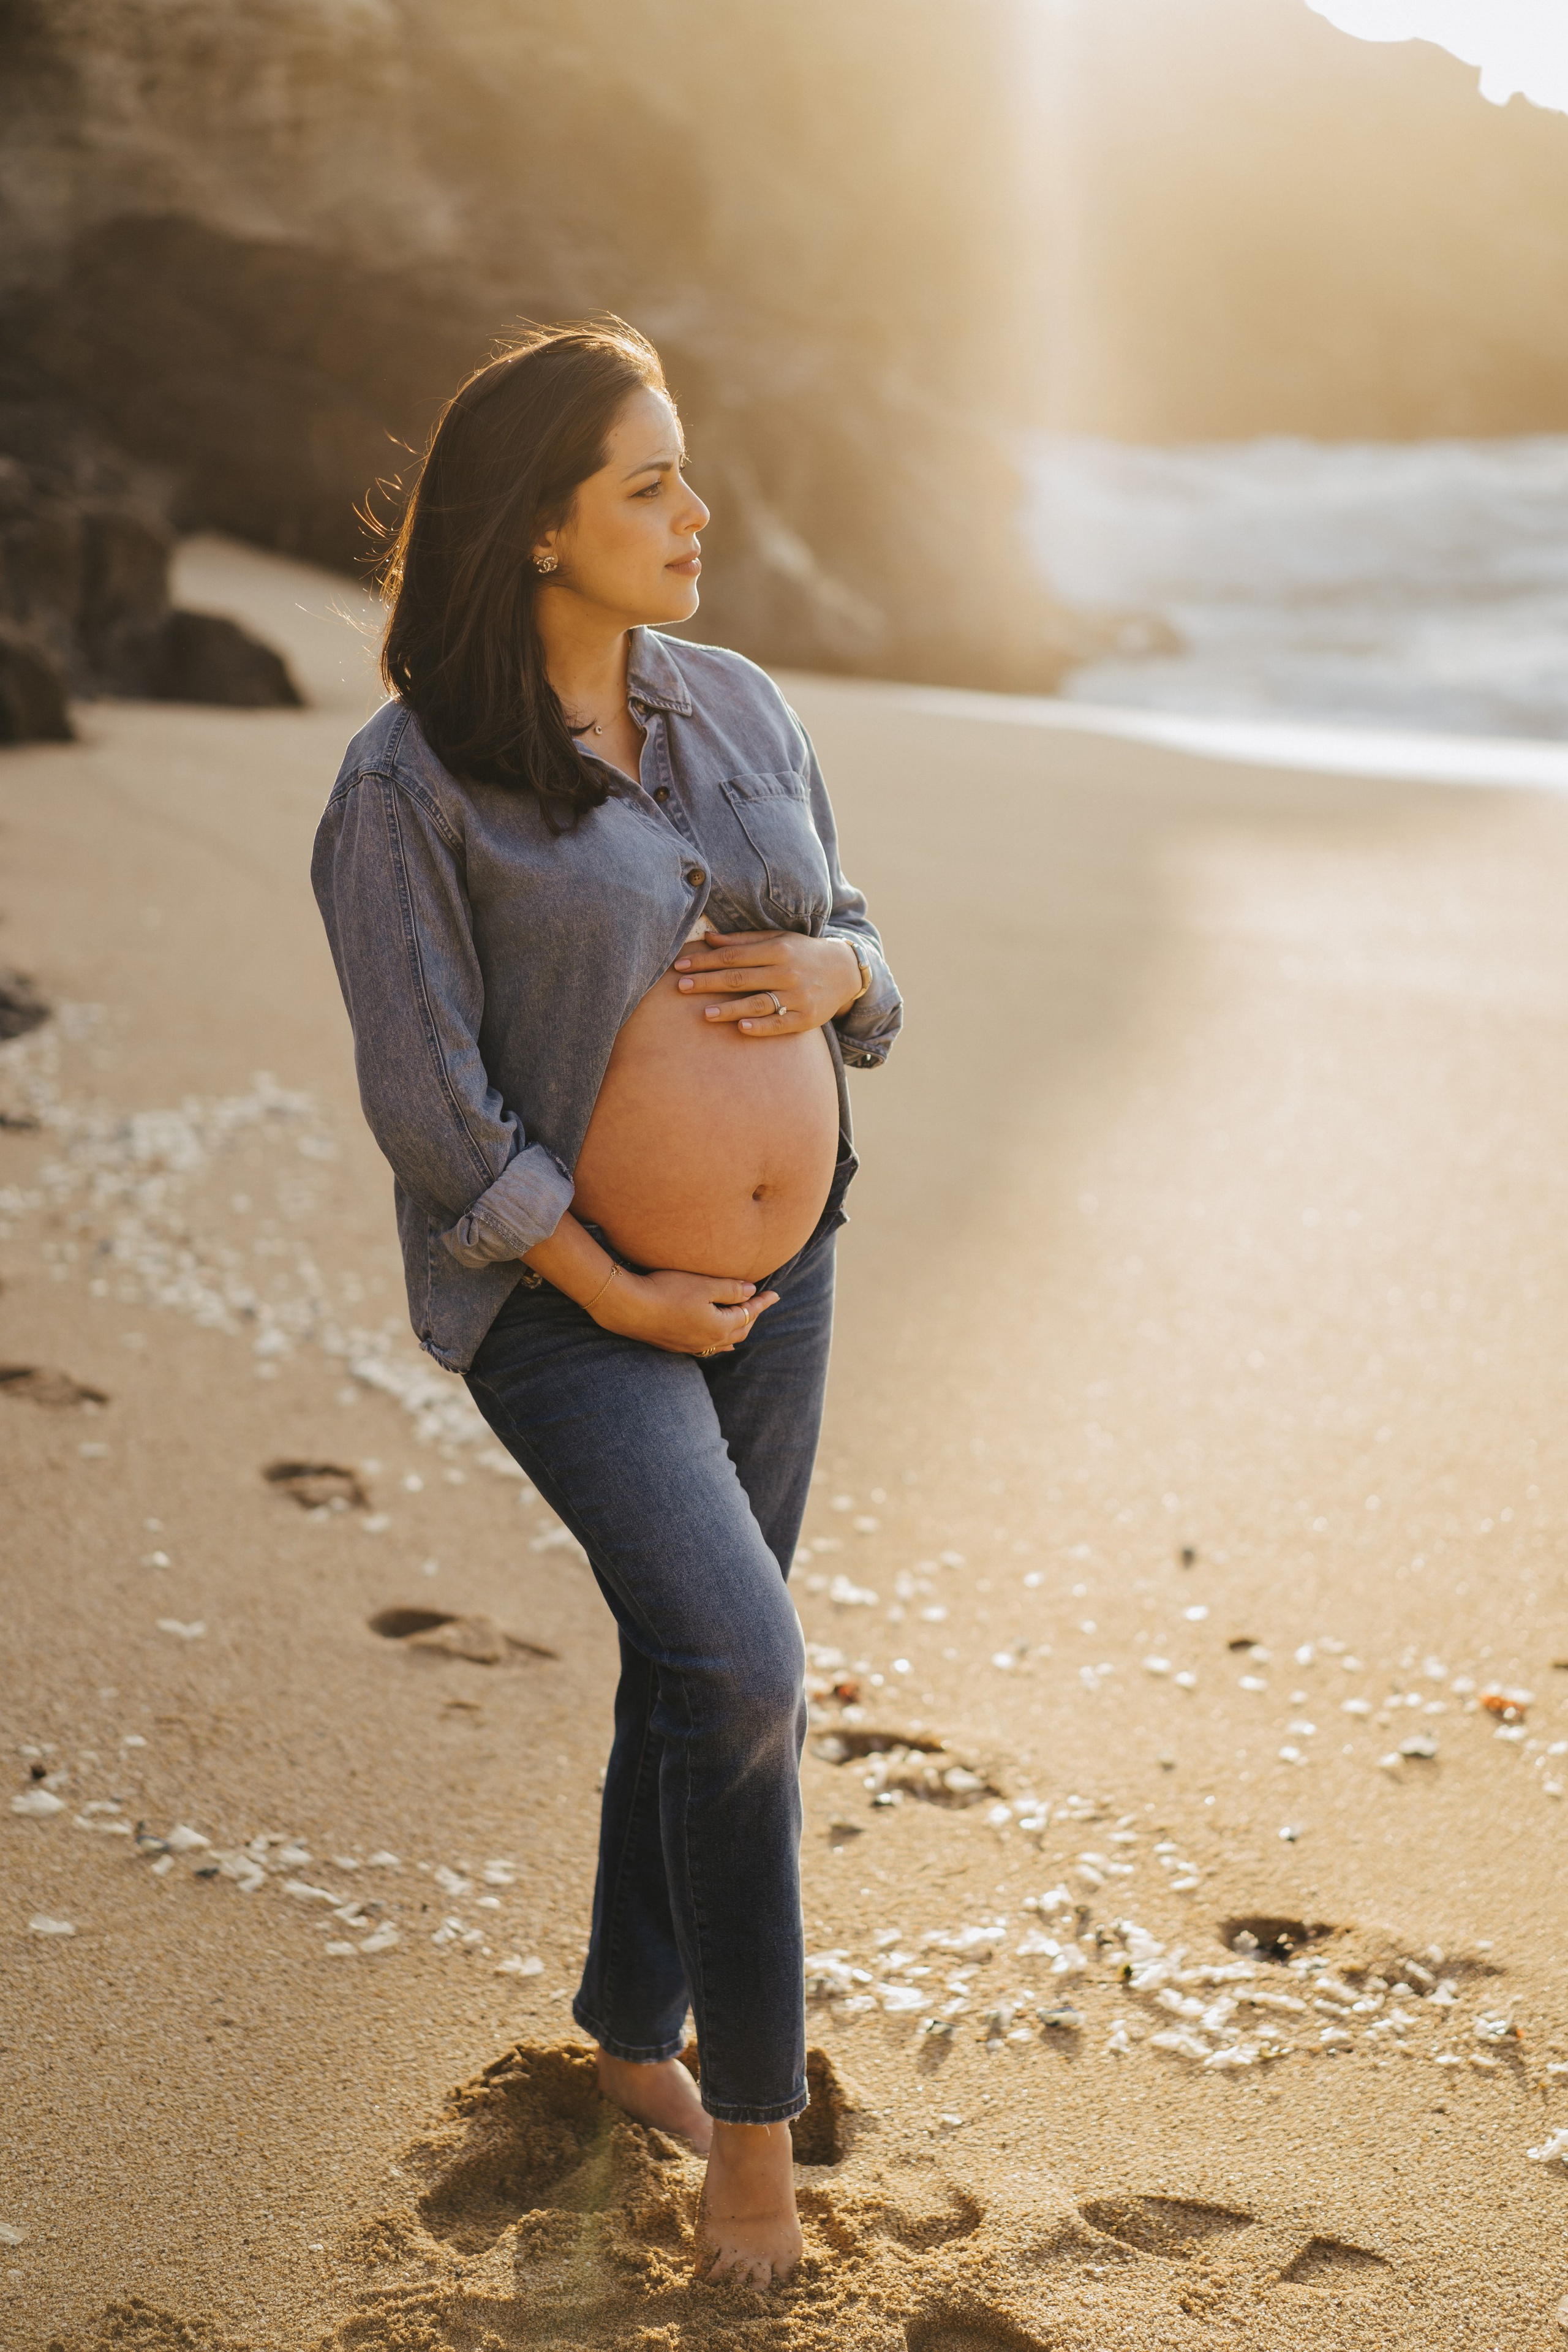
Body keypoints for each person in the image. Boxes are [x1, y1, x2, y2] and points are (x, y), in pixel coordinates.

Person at [311, 320, 902, 2288]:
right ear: (540, 529)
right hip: (572, 1306)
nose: (695, 511)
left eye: (685, 472)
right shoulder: (409, 785)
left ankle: (631, 2036)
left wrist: (841, 983)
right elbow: (430, 1104)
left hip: (784, 1275)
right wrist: (613, 1285)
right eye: (647, 483)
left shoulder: (734, 703)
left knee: (691, 1663)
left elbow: (860, 939)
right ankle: (752, 2141)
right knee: (743, 1663)